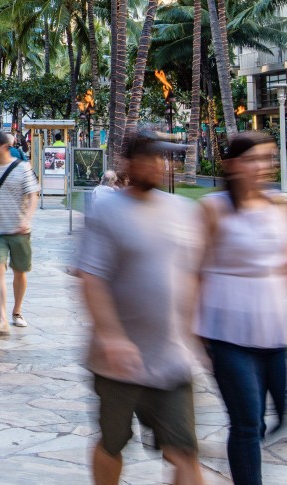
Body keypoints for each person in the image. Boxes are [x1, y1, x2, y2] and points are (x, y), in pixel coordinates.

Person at [196, 132, 287, 485]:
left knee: (270, 418)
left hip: (275, 332)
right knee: (246, 422)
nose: (261, 167)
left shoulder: (280, 204)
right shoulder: (213, 208)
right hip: (226, 333)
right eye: (252, 159)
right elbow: (192, 272)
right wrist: (190, 332)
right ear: (231, 165)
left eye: (267, 158)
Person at [77, 129, 204, 485]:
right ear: (129, 163)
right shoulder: (108, 211)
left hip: (171, 359)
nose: (159, 164)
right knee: (114, 442)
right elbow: (92, 279)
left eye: (163, 157)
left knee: (184, 452)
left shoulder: (183, 211)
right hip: (118, 363)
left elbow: (192, 277)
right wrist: (113, 337)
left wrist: (198, 335)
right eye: (150, 157)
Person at [0, 130, 39, 335]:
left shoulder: (23, 168)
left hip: (19, 230)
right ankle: (2, 317)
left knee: (20, 273)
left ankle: (17, 311)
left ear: (4, 147)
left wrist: (27, 219)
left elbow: (33, 195)